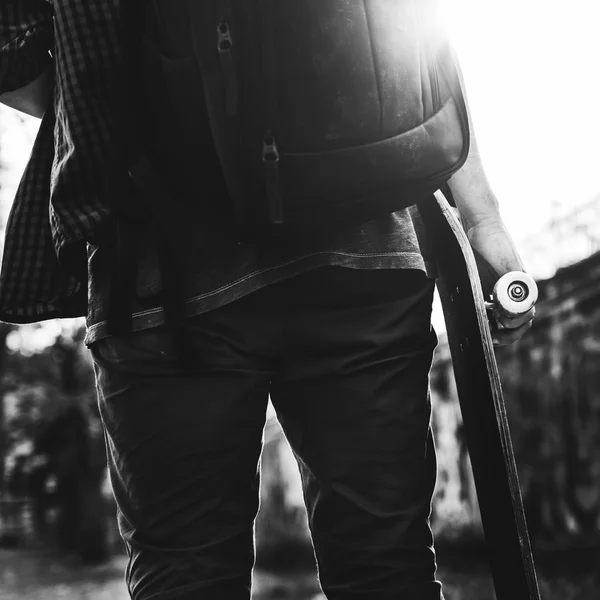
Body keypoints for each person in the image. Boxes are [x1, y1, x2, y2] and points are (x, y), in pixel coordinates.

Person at [0, 2, 534, 599]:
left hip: (160, 265)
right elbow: (413, 31)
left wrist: (142, 101)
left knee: (185, 571)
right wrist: (481, 214)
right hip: (361, 241)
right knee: (387, 568)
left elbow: (9, 50)